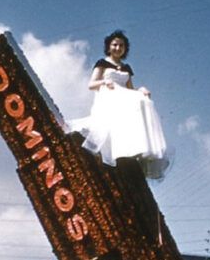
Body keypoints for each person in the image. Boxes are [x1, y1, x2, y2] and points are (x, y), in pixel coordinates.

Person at [70, 30, 170, 180]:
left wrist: (141, 90)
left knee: (144, 101)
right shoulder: (102, 63)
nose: (118, 48)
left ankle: (139, 148)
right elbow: (91, 84)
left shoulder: (126, 68)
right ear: (109, 47)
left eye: (121, 45)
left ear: (125, 49)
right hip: (108, 95)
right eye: (115, 45)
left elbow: (130, 90)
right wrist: (104, 81)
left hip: (122, 96)